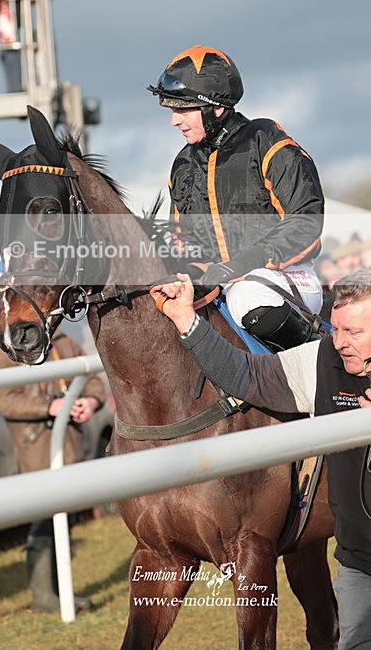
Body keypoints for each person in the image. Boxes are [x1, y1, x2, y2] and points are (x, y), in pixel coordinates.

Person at [150, 268, 371, 650]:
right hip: (358, 563)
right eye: (335, 329)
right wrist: (186, 319)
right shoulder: (321, 361)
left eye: (353, 332)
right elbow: (246, 373)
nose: (339, 342)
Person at [148, 45, 325, 351]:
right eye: (172, 110)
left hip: (286, 276)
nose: (173, 121)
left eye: (182, 109)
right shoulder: (182, 165)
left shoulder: (266, 140)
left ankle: (327, 367)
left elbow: (306, 220)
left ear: (215, 106)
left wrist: (245, 262)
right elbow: (183, 241)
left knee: (247, 296)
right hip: (222, 283)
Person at [0, 330, 106, 613]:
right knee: (43, 521)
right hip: (35, 450)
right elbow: (3, 399)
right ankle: (44, 596)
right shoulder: (5, 349)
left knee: (64, 521)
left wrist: (89, 401)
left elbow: (92, 379)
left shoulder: (64, 340)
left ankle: (58, 592)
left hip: (69, 447)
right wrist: (49, 406)